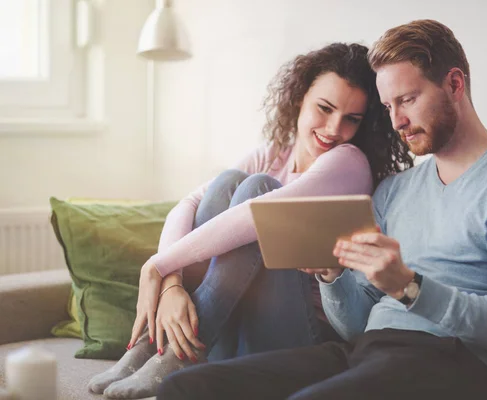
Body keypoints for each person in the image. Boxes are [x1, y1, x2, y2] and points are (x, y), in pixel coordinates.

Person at [156, 19, 487, 400]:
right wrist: (333, 276)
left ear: (455, 84)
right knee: (184, 388)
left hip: (452, 362)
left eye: (407, 100)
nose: (398, 121)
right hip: (364, 351)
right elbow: (354, 324)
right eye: (388, 107)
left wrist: (409, 286)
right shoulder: (394, 191)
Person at [87, 42, 413, 399]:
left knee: (256, 192)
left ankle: (175, 353)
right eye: (325, 108)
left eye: (352, 119)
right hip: (235, 331)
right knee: (229, 182)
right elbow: (189, 202)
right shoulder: (271, 154)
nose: (335, 128)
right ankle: (162, 347)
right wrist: (171, 284)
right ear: (300, 98)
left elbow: (257, 217)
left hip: (299, 341)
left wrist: (158, 265)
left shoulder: (349, 162)